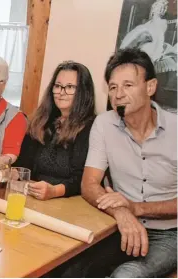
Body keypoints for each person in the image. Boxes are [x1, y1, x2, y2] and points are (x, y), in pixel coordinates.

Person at [77, 48, 177, 277]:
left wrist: (135, 208)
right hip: (116, 225)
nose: (118, 94)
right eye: (113, 87)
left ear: (150, 87)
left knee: (127, 275)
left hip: (170, 232)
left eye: (128, 85)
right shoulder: (103, 124)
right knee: (69, 267)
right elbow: (89, 184)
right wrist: (122, 213)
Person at [13, 61, 96, 200]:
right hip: (34, 198)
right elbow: (23, 166)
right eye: (57, 86)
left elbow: (82, 180)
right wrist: (10, 173)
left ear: (83, 92)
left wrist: (54, 191)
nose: (61, 93)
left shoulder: (91, 127)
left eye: (69, 87)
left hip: (70, 204)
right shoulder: (41, 121)